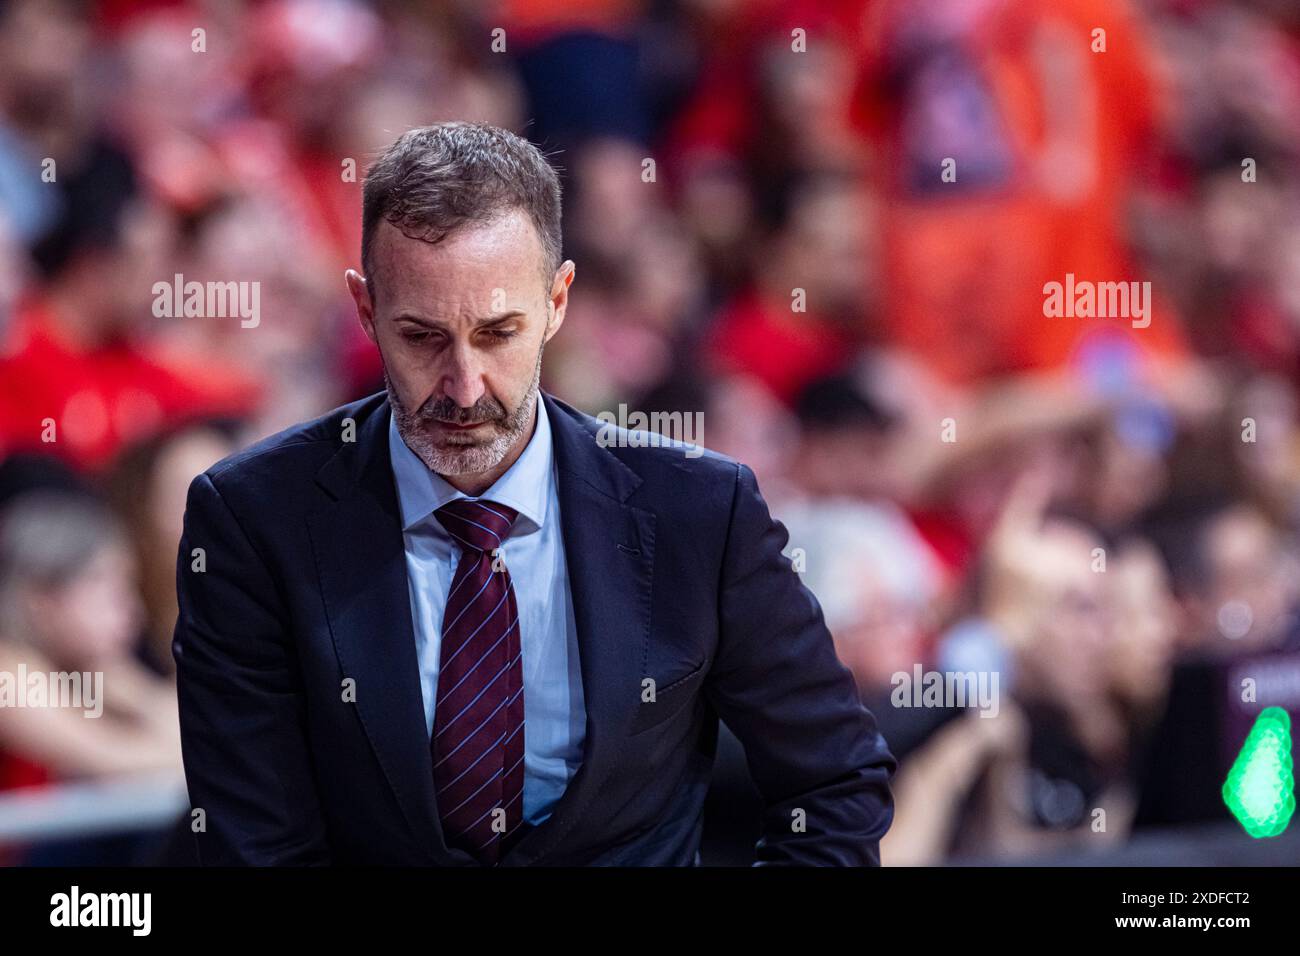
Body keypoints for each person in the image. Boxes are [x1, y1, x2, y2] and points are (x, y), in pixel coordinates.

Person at [172, 121, 897, 867]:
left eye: (497, 333)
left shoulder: (700, 512)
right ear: (365, 310)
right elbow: (255, 845)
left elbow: (835, 782)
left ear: (558, 301)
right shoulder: (254, 520)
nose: (462, 386)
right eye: (421, 336)